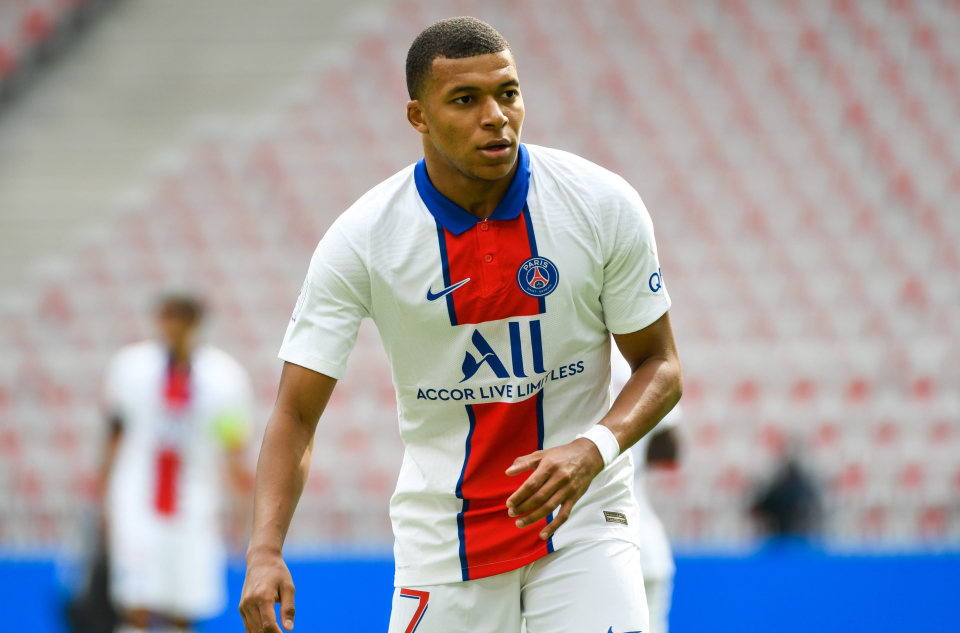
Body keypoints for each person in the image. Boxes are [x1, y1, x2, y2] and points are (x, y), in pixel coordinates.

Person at [239, 17, 682, 633]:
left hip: (582, 517)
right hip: (445, 538)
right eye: (466, 100)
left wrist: (593, 450)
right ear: (418, 117)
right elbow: (294, 413)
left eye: (508, 93)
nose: (496, 116)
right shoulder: (363, 239)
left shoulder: (601, 204)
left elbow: (661, 364)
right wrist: (264, 550)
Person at [100, 294, 254, 632]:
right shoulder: (131, 368)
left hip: (194, 501)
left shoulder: (224, 378)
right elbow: (114, 434)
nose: (173, 327)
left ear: (196, 324)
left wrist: (242, 509)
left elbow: (233, 447)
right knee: (136, 597)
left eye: (181, 319)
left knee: (184, 601)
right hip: (138, 495)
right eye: (167, 318)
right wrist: (102, 497)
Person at [612, 348, 681, 633]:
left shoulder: (564, 360)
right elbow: (670, 447)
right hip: (646, 540)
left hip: (589, 543)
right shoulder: (641, 357)